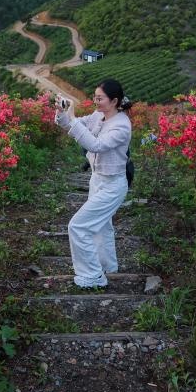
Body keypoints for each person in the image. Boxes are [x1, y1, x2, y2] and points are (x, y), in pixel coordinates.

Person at [54, 79, 132, 288]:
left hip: (113, 185)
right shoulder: (99, 116)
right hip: (97, 179)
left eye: (100, 98)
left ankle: (93, 275)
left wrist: (72, 118)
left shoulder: (122, 126)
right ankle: (107, 267)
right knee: (101, 228)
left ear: (114, 101)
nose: (96, 102)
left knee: (78, 226)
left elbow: (95, 145)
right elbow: (73, 125)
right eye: (95, 97)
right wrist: (64, 113)